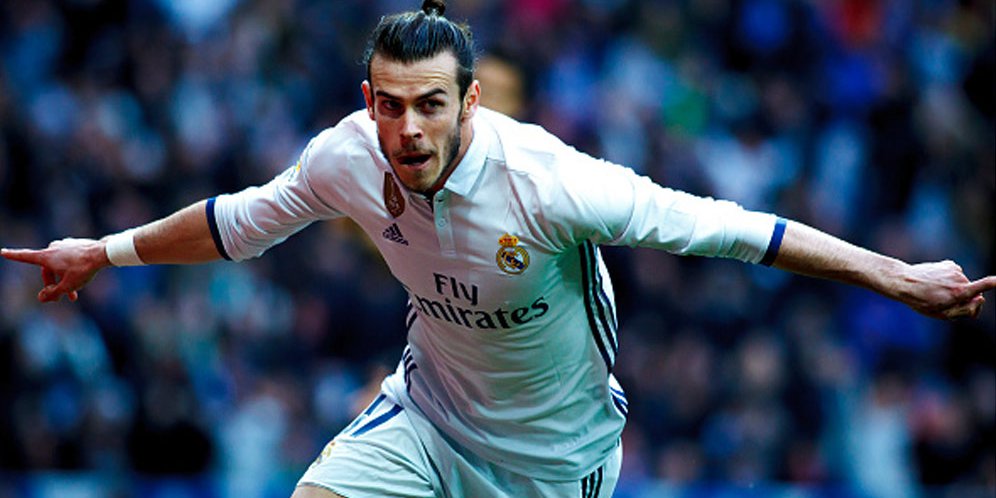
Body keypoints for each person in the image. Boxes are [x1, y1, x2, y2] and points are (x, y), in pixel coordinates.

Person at [2, 1, 993, 496]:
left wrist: (889, 272)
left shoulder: (552, 182)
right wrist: (105, 250)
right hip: (426, 420)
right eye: (392, 106)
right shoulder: (345, 157)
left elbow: (737, 231)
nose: (410, 130)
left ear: (470, 101)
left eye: (433, 105)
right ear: (369, 102)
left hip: (553, 463)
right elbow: (233, 224)